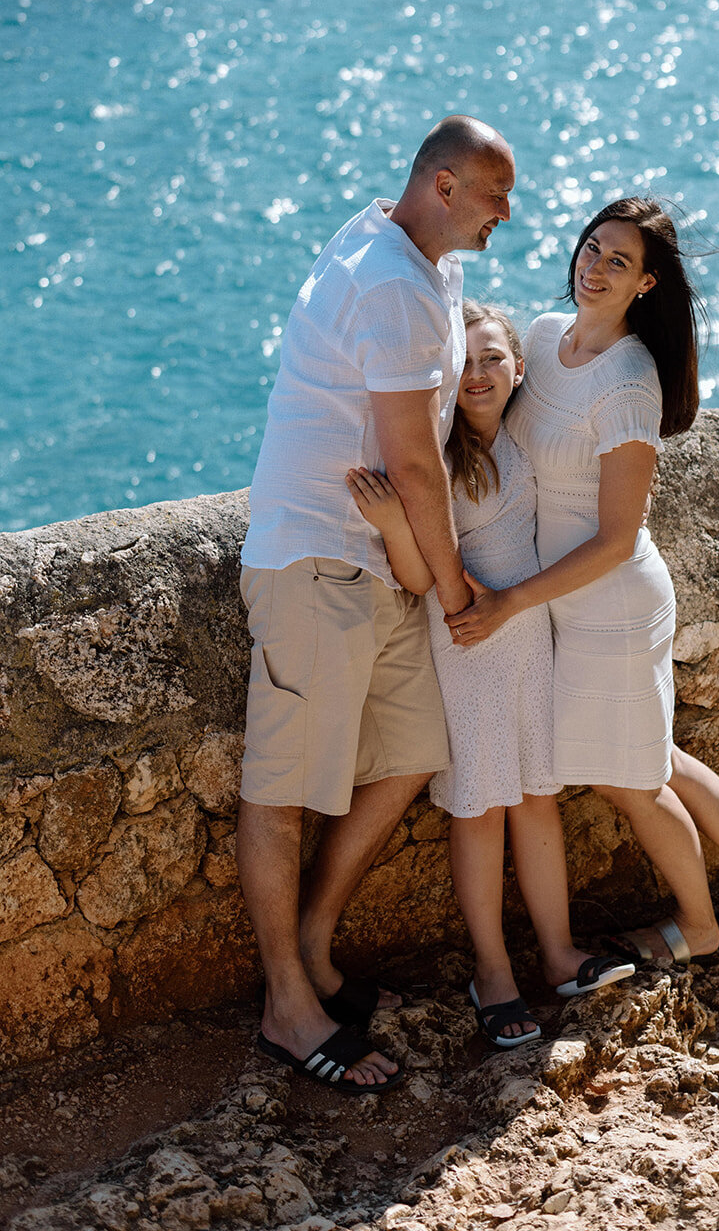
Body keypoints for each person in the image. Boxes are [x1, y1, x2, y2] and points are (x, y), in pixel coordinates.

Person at [447, 198, 719, 967]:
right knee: (656, 759)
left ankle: (701, 926)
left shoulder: (629, 382)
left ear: (646, 285)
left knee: (633, 781)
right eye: (592, 247)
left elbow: (615, 540)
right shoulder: (542, 340)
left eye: (619, 261)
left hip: (606, 605)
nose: (596, 266)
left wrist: (509, 599)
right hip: (560, 604)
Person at [237, 115, 515, 1092]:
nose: (505, 214)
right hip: (317, 557)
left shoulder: (403, 247)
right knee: (280, 789)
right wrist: (451, 586)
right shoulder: (394, 283)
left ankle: (313, 939)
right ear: (441, 186)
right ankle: (286, 1003)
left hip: (374, 554)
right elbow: (409, 459)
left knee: (410, 754)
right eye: (493, 194)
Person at [346, 301, 634, 1050]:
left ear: (517, 368)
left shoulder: (524, 437)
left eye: (492, 359)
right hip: (471, 645)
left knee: (538, 800)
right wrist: (393, 526)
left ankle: (561, 951)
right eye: (463, 362)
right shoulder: (436, 458)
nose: (477, 375)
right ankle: (493, 974)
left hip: (530, 636)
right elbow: (417, 579)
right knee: (479, 810)